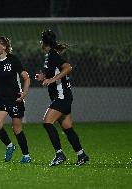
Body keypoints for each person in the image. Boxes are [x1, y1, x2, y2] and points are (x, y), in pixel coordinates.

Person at [35, 29, 89, 166]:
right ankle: (82, 155)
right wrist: (44, 77)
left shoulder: (53, 55)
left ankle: (60, 154)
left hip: (62, 96)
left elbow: (67, 67)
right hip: (61, 96)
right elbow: (54, 73)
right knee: (67, 128)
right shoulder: (49, 56)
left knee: (47, 123)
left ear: (43, 42)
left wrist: (52, 79)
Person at [0, 36, 31, 164]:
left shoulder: (13, 60)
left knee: (17, 129)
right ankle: (9, 146)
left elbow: (26, 77)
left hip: (15, 99)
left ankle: (26, 155)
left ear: (4, 46)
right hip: (1, 99)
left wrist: (24, 93)